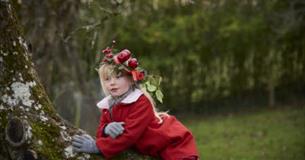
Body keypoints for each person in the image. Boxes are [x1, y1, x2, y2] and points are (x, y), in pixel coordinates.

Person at [72, 45, 199, 160]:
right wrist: (106, 129)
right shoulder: (109, 105)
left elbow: (129, 136)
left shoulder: (141, 102)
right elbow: (101, 129)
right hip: (153, 149)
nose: (112, 82)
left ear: (131, 79)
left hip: (172, 143)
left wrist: (97, 147)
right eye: (107, 79)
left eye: (118, 77)